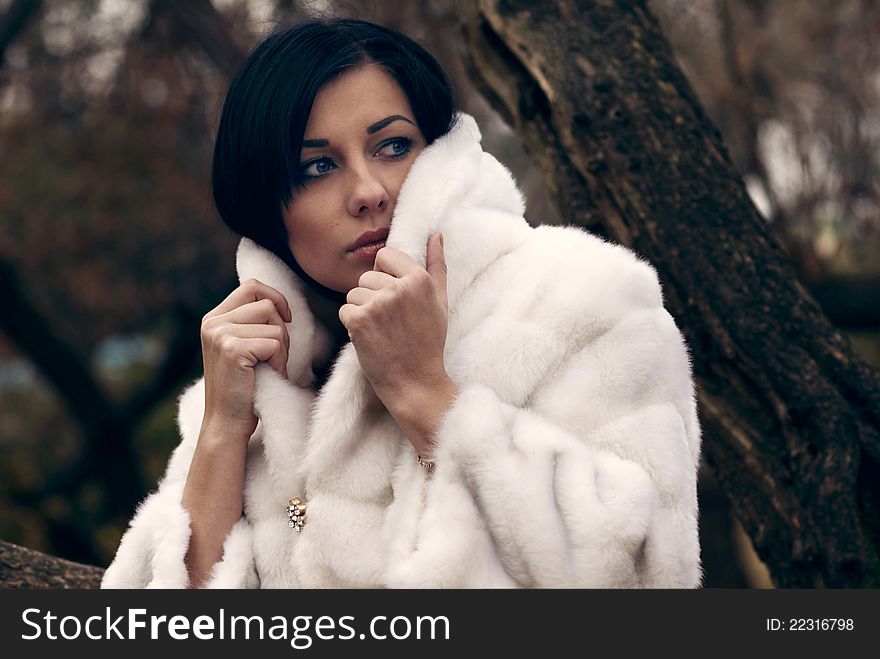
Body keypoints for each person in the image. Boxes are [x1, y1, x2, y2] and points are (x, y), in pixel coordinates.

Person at [102, 17, 702, 589]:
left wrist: (425, 393)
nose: (367, 192)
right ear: (268, 211)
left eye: (392, 146)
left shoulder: (580, 298)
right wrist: (221, 430)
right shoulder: (259, 375)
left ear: (440, 151)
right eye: (317, 166)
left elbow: (646, 582)